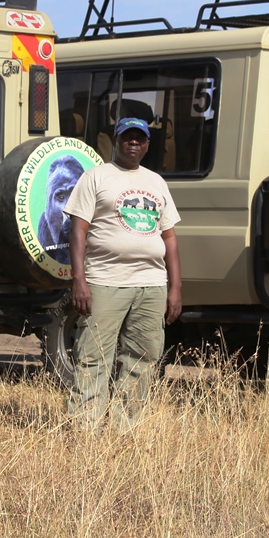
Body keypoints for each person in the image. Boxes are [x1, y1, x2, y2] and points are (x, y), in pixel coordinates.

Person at [64, 117, 182, 428]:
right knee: (93, 356)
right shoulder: (95, 177)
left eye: (139, 138)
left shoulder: (157, 182)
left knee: (143, 358)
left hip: (152, 284)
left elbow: (169, 237)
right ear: (116, 141)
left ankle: (125, 427)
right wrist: (79, 280)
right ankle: (85, 428)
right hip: (105, 280)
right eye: (127, 137)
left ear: (147, 145)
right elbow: (78, 231)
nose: (133, 143)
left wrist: (175, 288)